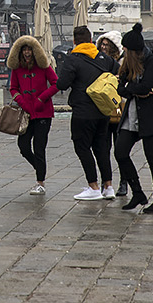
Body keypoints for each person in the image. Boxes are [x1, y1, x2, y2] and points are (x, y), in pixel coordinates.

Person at [114, 24, 153, 215]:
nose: (123, 51)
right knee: (120, 152)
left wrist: (131, 88)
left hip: (150, 116)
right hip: (132, 114)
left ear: (132, 49)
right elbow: (120, 87)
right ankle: (137, 192)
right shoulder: (127, 64)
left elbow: (145, 87)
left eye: (125, 48)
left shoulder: (152, 61)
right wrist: (132, 88)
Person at [56, 25, 119, 201]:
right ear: (91, 40)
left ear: (75, 41)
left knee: (82, 147)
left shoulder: (73, 59)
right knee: (101, 148)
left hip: (83, 111)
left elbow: (62, 84)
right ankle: (108, 187)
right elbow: (118, 70)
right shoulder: (103, 58)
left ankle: (93, 187)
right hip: (103, 111)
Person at [6, 35, 58, 196]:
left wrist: (41, 98)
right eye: (24, 50)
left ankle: (40, 182)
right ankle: (39, 168)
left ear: (35, 51)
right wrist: (22, 101)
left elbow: (56, 83)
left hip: (43, 113)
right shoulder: (17, 69)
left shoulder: (43, 67)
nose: (27, 53)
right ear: (19, 52)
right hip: (26, 113)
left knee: (39, 147)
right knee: (23, 146)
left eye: (29, 50)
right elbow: (13, 88)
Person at [97, 30, 128, 197]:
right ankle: (106, 181)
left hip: (119, 108)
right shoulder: (99, 62)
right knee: (103, 148)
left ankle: (124, 182)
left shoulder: (123, 62)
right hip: (103, 109)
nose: (104, 48)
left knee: (120, 149)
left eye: (107, 45)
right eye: (102, 44)